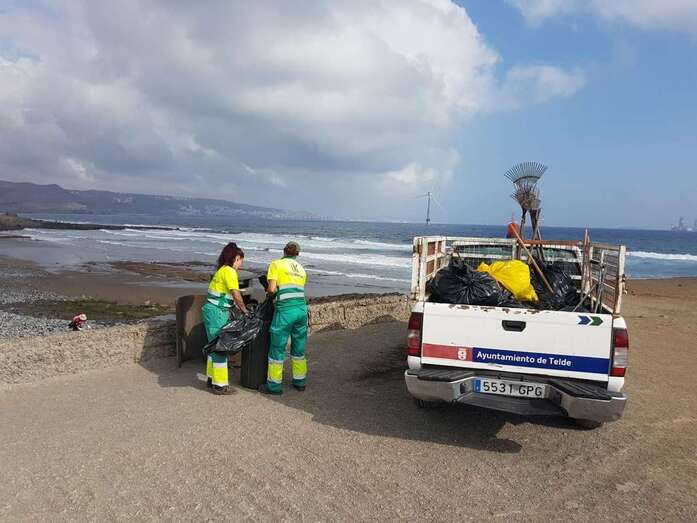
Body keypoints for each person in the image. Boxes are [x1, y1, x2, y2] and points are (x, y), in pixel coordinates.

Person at [259, 241, 308, 395]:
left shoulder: (276, 264)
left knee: (277, 348)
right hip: (302, 310)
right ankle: (300, 382)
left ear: (284, 251)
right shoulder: (301, 269)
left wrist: (268, 291)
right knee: (299, 347)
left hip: (286, 311)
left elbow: (272, 289)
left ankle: (274, 386)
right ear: (297, 254)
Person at [202, 242, 248, 395]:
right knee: (221, 349)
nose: (241, 264)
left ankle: (211, 379)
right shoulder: (229, 271)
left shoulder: (221, 270)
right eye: (240, 260)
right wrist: (244, 310)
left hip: (210, 310)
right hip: (218, 312)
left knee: (213, 346)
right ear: (235, 258)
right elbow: (236, 294)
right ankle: (220, 385)